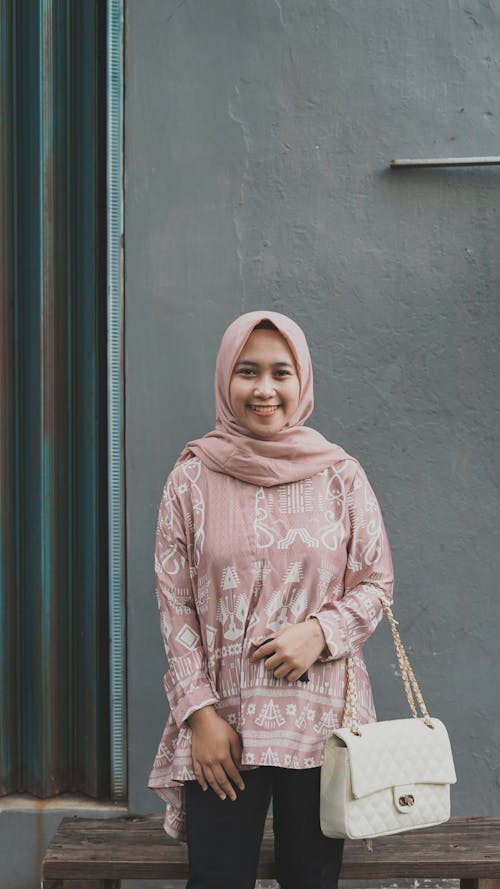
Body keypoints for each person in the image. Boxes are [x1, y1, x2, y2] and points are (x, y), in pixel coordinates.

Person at [148, 310, 394, 889]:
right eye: (247, 371)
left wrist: (321, 632)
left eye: (280, 372)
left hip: (320, 726)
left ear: (301, 381)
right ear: (225, 381)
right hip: (223, 728)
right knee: (217, 879)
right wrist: (199, 712)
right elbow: (174, 603)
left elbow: (376, 583)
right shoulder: (191, 479)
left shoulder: (341, 476)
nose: (264, 389)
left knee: (311, 879)